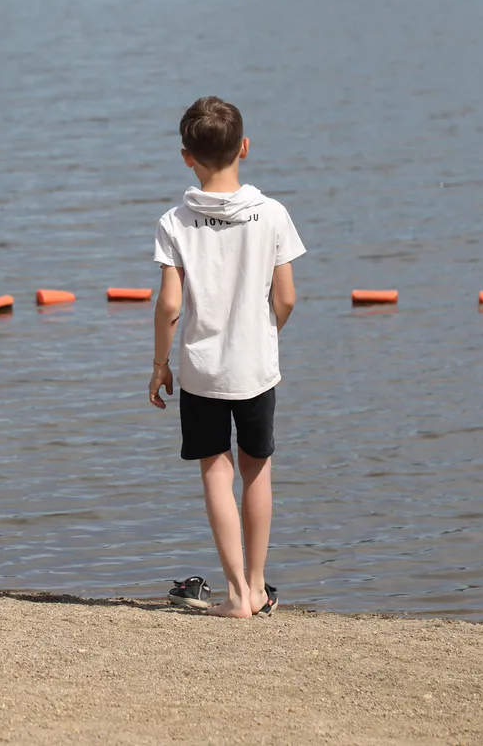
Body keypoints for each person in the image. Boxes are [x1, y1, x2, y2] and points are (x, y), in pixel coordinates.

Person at [149, 96, 305, 618]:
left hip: (199, 370)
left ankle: (235, 592)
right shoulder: (273, 214)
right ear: (244, 146)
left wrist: (159, 364)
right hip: (255, 366)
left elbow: (170, 304)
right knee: (256, 470)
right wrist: (263, 332)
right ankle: (258, 587)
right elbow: (286, 297)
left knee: (216, 472)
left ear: (185, 156)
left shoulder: (174, 221)